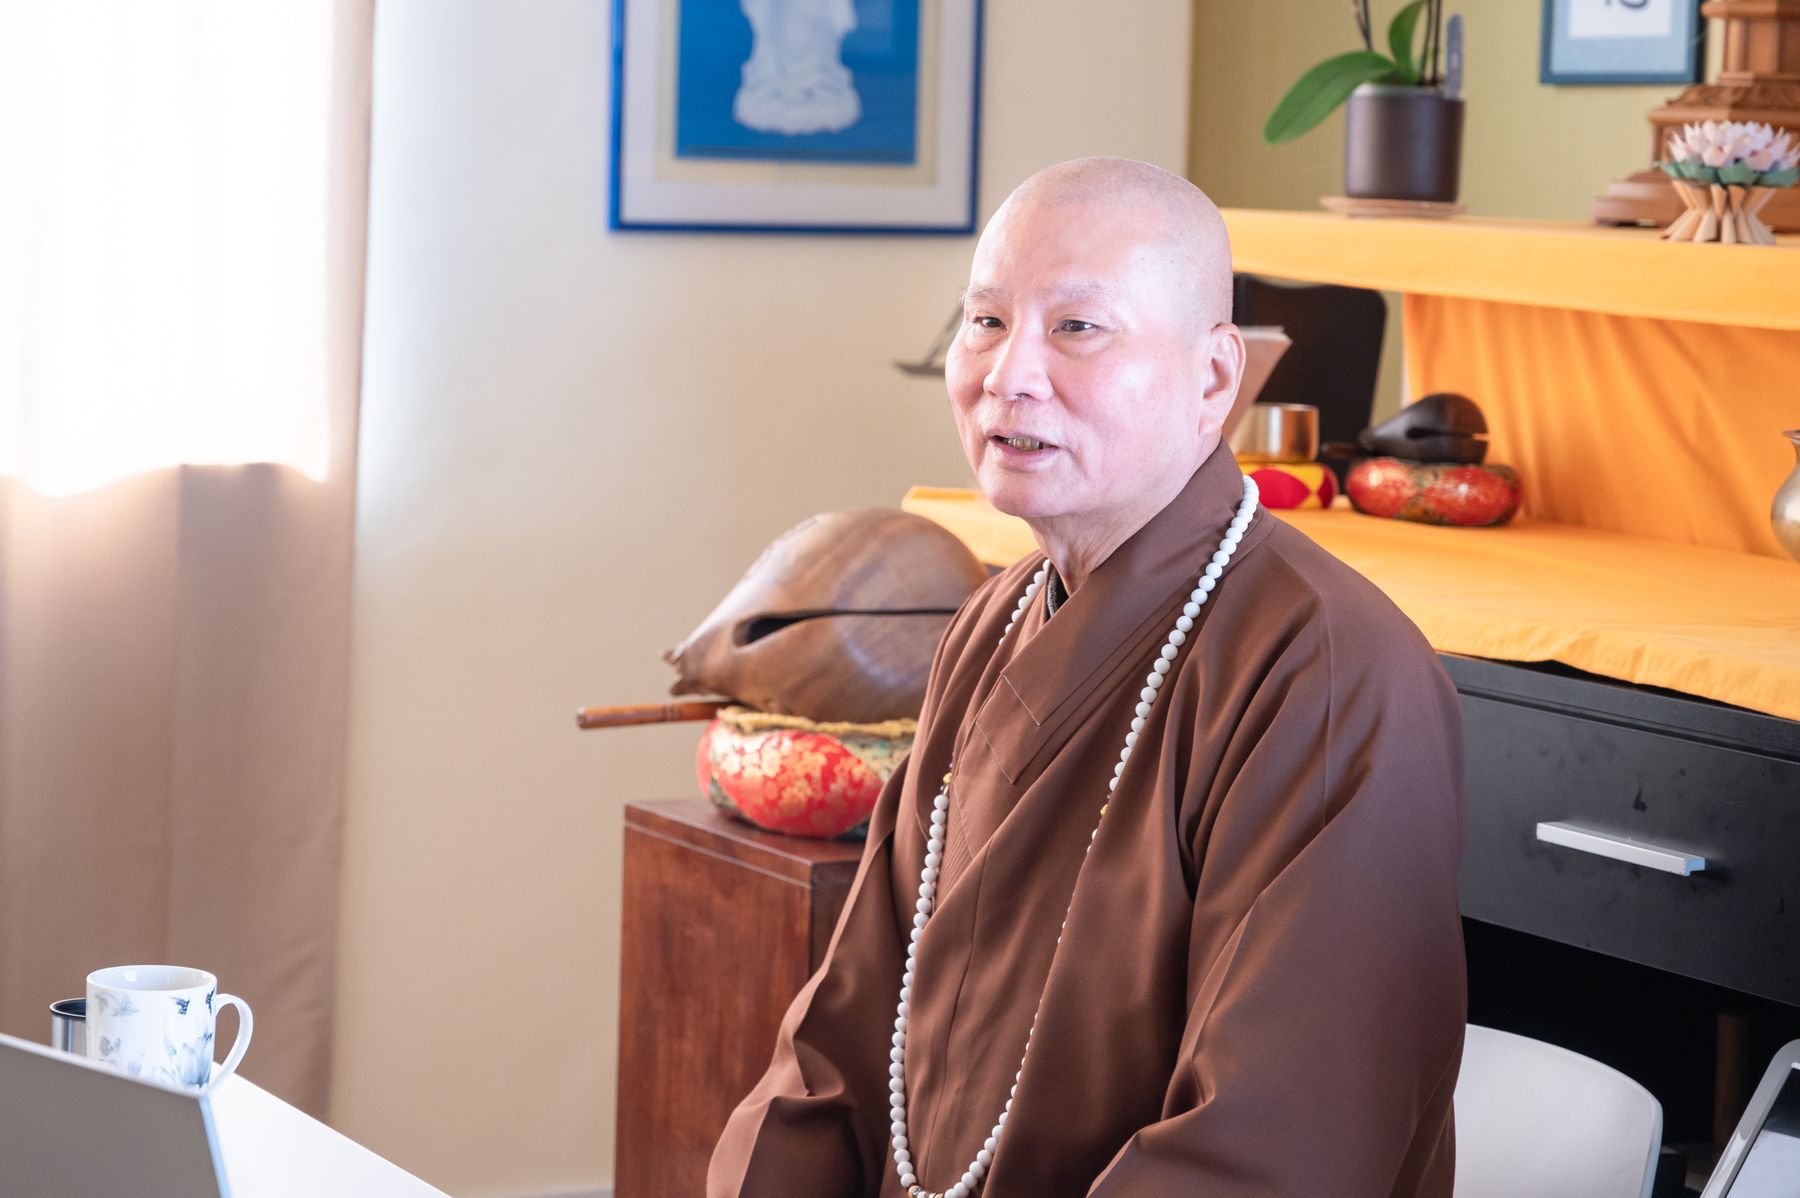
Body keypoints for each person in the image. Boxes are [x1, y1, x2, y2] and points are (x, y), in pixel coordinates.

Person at [708, 157, 1467, 1197]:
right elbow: (840, 1037)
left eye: (1077, 327)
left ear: (1214, 379)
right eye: (985, 321)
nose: (1007, 374)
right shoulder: (992, 623)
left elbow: (1272, 1149)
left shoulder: (1329, 673)